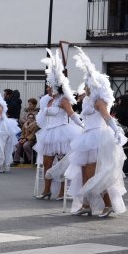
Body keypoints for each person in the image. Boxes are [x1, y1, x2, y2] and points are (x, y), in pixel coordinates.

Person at [66, 47, 127, 218]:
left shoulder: (100, 101)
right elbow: (82, 117)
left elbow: (107, 118)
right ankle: (86, 204)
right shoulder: (87, 100)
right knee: (84, 173)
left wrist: (117, 131)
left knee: (97, 176)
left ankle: (108, 204)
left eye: (87, 83)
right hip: (87, 137)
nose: (85, 85)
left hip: (98, 138)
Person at [33, 49, 82, 200]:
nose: (48, 88)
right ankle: (46, 190)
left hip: (62, 134)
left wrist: (82, 127)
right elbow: (41, 115)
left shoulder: (63, 100)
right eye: (48, 85)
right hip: (48, 133)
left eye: (50, 85)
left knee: (61, 165)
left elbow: (72, 115)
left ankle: (62, 192)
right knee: (47, 164)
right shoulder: (47, 100)